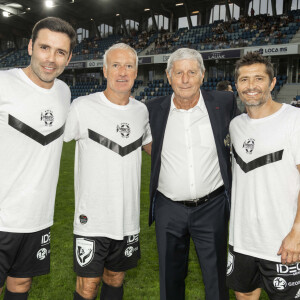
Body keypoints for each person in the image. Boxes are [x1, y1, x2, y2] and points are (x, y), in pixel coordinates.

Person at [146, 48, 238, 300]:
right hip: (168, 208)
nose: (185, 79)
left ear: (202, 75)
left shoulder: (224, 103)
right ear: (168, 76)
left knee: (217, 280)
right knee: (169, 279)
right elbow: (144, 142)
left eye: (191, 72)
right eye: (178, 73)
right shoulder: (152, 109)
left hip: (212, 207)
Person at [64, 43, 152, 300]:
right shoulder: (82, 107)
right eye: (116, 65)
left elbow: (153, 149)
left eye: (129, 66)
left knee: (115, 278)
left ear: (136, 72)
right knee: (88, 286)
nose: (122, 72)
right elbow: (52, 144)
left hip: (127, 217)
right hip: (92, 218)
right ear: (105, 70)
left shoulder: (142, 111)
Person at [0, 17, 76, 300]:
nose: (51, 59)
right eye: (45, 48)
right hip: (1, 216)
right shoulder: (3, 83)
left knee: (20, 286)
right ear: (31, 46)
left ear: (69, 57)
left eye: (60, 52)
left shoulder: (64, 92)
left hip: (37, 218)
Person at [227, 52, 300, 300]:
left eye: (259, 78)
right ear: (236, 84)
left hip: (283, 241)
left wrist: (297, 231)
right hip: (242, 240)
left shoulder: (294, 120)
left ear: (272, 82)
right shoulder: (235, 125)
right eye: (244, 79)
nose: (251, 86)